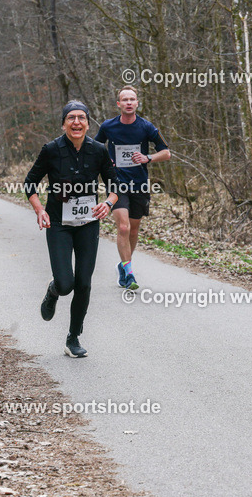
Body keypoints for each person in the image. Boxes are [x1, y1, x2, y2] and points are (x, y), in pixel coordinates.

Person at [24, 101, 119, 358]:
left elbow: (115, 185)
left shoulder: (98, 150)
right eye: (71, 118)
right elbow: (30, 183)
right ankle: (54, 290)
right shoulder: (51, 150)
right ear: (63, 123)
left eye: (81, 118)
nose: (76, 122)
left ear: (88, 123)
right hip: (58, 224)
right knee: (67, 284)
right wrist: (39, 210)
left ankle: (73, 337)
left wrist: (108, 203)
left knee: (84, 283)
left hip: (88, 224)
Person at [95, 85, 170, 290]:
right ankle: (129, 274)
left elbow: (166, 152)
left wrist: (148, 157)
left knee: (134, 230)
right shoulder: (108, 126)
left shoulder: (146, 127)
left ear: (137, 103)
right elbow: (93, 148)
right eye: (125, 99)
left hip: (139, 184)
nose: (129, 102)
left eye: (132, 99)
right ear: (118, 104)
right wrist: (106, 160)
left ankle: (124, 265)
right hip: (116, 184)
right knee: (123, 227)